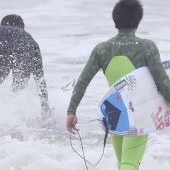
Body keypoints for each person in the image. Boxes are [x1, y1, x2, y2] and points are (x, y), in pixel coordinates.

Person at [66, 0, 170, 170]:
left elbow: (83, 81)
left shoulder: (102, 49)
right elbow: (163, 83)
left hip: (114, 114)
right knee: (128, 166)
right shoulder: (147, 47)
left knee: (123, 164)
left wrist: (71, 111)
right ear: (138, 21)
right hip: (139, 115)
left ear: (115, 21)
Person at [0, 14, 50, 115]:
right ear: (22, 27)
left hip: (0, 51)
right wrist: (45, 105)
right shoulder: (29, 39)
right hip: (25, 52)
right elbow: (39, 77)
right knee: (19, 88)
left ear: (3, 25)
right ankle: (18, 114)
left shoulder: (0, 31)